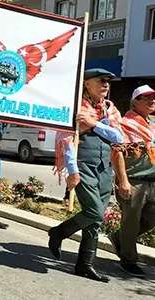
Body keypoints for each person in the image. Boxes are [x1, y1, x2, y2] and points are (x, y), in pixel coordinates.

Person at [49, 68, 123, 283]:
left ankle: (85, 264)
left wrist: (93, 124)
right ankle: (59, 232)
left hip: (103, 168)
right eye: (101, 80)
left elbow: (118, 136)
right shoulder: (77, 108)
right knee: (94, 212)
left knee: (95, 221)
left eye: (108, 81)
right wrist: (72, 171)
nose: (106, 84)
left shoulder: (110, 110)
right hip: (83, 166)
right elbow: (67, 140)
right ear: (86, 84)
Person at [108, 85, 155, 278]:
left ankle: (118, 238)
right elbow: (117, 153)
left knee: (151, 219)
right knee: (131, 221)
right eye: (146, 98)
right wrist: (123, 181)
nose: (152, 101)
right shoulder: (125, 123)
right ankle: (128, 259)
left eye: (153, 98)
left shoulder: (152, 124)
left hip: (152, 180)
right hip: (133, 180)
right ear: (135, 101)